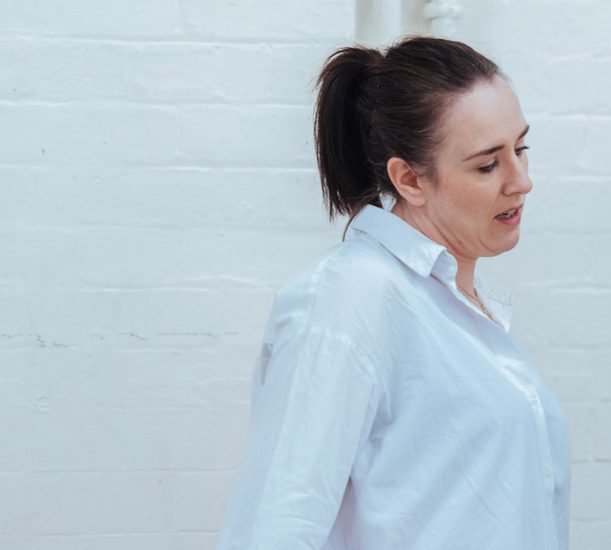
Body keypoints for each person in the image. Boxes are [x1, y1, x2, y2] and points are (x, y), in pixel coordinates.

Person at [216, 37, 568, 549]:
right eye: (487, 165)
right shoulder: (349, 300)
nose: (521, 182)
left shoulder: (459, 306)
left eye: (521, 148)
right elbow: (275, 527)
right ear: (409, 179)